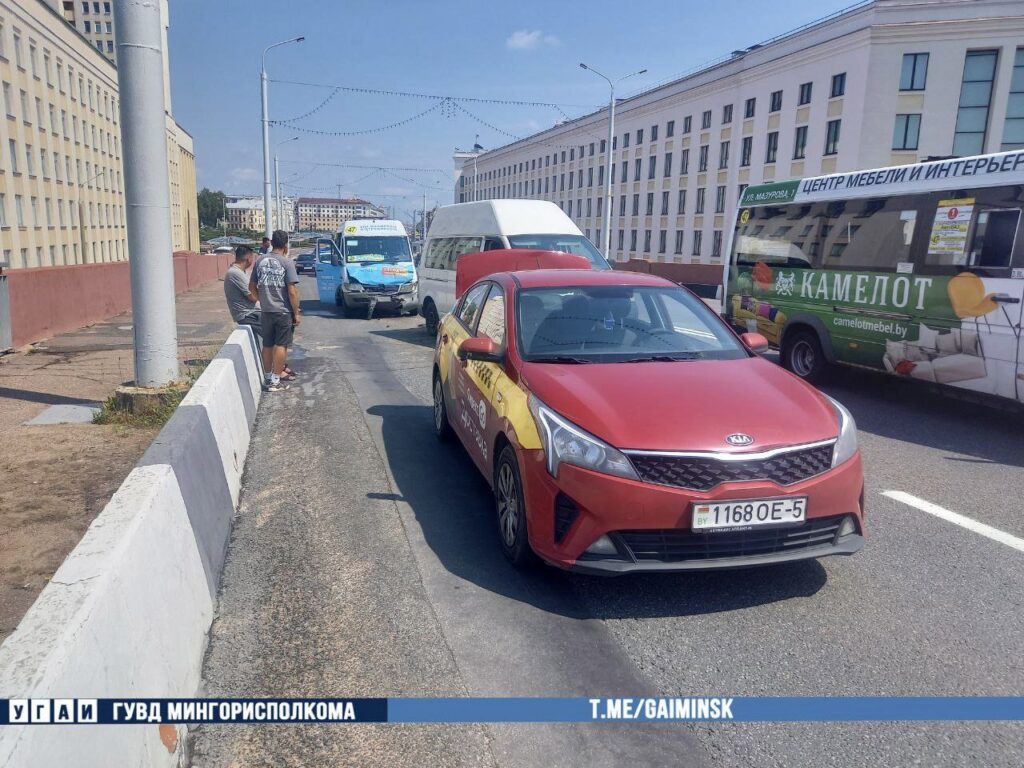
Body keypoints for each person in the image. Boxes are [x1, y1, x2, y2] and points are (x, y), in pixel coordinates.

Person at [249, 230, 301, 392]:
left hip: (266, 311)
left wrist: (261, 299)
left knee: (268, 345)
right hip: (283, 311)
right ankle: (275, 380)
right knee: (281, 345)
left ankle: (267, 376)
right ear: (286, 244)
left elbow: (251, 286)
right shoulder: (287, 263)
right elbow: (291, 291)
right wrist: (296, 313)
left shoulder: (260, 260)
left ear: (271, 242)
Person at [224, 246, 262, 345]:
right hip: (247, 314)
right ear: (249, 259)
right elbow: (253, 297)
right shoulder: (235, 273)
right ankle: (275, 360)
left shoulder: (239, 272)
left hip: (252, 313)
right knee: (277, 332)